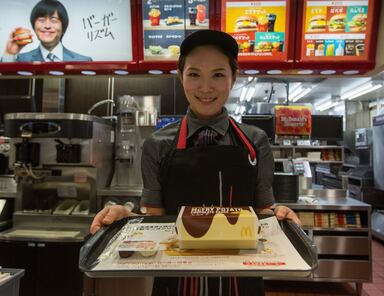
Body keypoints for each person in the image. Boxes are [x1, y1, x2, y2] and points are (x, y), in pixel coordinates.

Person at [90, 29, 300, 296]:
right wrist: (124, 219)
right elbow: (156, 223)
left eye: (218, 74)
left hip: (241, 279)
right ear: (180, 77)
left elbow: (264, 217)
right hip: (176, 280)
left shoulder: (255, 142)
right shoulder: (158, 145)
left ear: (233, 78)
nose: (205, 87)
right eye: (194, 74)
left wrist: (282, 217)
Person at [1, 0, 92, 62]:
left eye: (54, 20)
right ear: (34, 27)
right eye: (41, 20)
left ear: (63, 27)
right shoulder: (20, 60)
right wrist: (9, 54)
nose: (47, 26)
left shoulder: (84, 61)